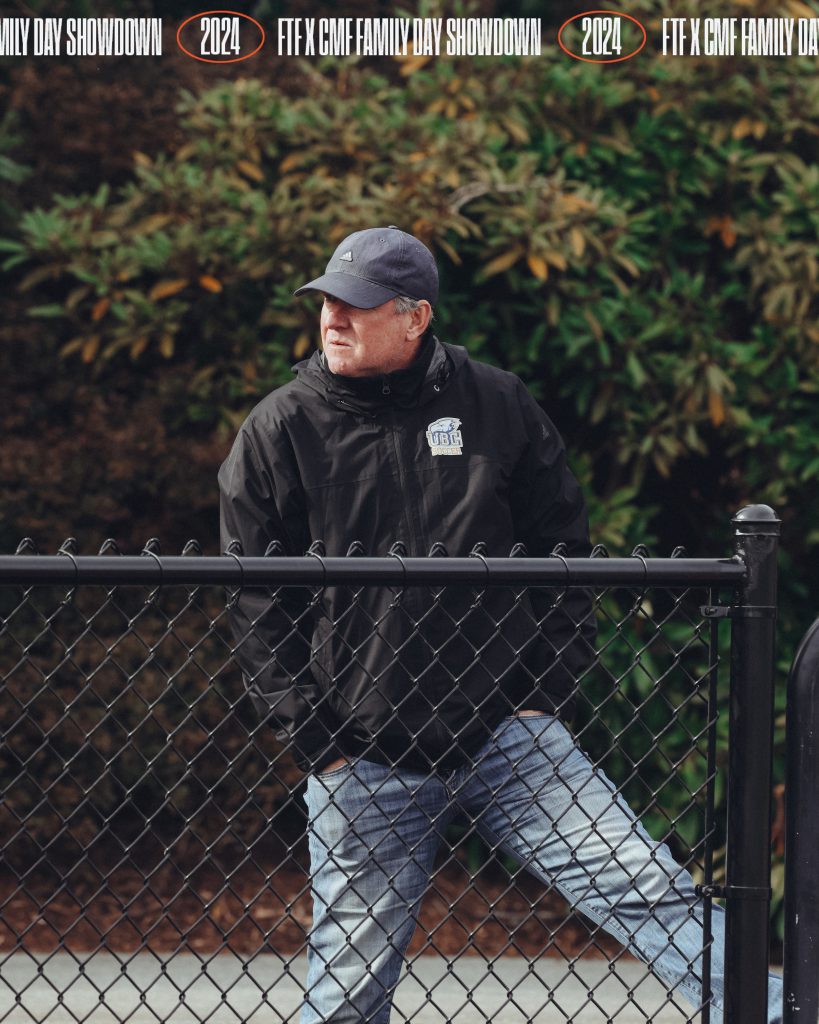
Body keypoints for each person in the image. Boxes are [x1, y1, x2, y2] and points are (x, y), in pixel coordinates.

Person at [219, 226, 782, 1024]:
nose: (332, 319)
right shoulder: (281, 428)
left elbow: (564, 548)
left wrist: (542, 695)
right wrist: (321, 743)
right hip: (365, 754)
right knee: (348, 989)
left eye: (356, 305)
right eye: (326, 304)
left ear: (414, 318)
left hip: (508, 738)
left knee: (646, 889)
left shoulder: (496, 403)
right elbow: (252, 603)